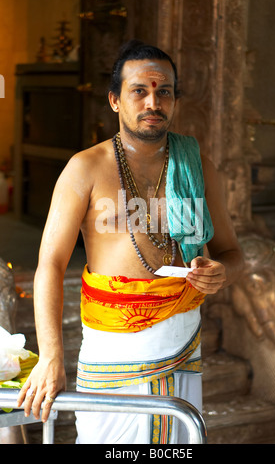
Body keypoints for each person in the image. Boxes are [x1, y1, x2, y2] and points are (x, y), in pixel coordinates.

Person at [17, 40, 244, 444]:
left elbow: (231, 254)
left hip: (182, 348)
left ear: (174, 100)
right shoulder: (85, 168)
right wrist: (52, 356)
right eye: (139, 90)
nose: (153, 101)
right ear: (115, 100)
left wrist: (222, 273)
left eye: (165, 91)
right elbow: (50, 264)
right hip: (112, 355)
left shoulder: (197, 165)